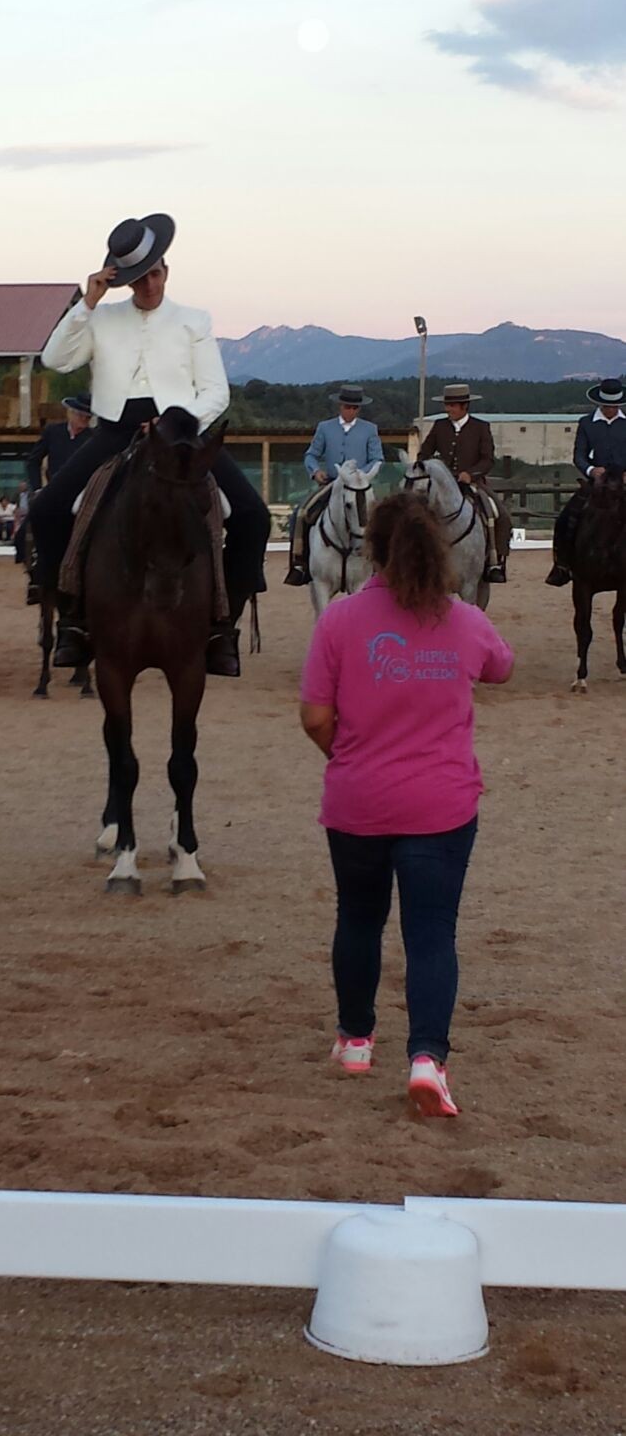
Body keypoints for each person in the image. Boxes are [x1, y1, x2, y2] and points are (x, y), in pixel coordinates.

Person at [300, 491, 514, 1117]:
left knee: (358, 918)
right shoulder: (464, 619)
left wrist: (349, 756)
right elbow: (502, 667)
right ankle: (427, 1059)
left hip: (358, 798)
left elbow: (314, 716)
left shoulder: (338, 619)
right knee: (431, 932)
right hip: (441, 804)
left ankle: (355, 1040)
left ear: (373, 548)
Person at [29, 213, 271, 677]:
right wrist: (87, 303)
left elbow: (216, 392)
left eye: (155, 274)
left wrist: (178, 421)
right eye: (138, 279)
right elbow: (54, 358)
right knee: (46, 511)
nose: (149, 286)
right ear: (123, 281)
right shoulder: (102, 319)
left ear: (166, 270)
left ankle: (222, 628)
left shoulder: (193, 320)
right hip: (114, 431)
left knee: (253, 517)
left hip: (181, 433)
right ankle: (73, 620)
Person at [285, 386, 384, 585]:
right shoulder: (325, 428)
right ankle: (300, 562)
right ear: (340, 406)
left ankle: (380, 563)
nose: (351, 411)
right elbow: (311, 455)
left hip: (359, 486)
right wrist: (315, 471)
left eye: (355, 408)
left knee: (381, 518)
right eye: (348, 407)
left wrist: (360, 475)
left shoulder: (370, 429)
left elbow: (377, 458)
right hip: (330, 483)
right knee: (302, 512)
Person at [418, 383, 508, 583]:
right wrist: (434, 470)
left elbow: (488, 459)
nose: (448, 409)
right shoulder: (440, 426)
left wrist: (471, 474)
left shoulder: (480, 427)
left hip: (472, 483)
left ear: (464, 406)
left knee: (500, 515)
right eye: (447, 405)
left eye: (452, 405)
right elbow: (424, 453)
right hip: (443, 484)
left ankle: (495, 561)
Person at [546, 377, 626, 587]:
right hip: (597, 482)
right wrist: (591, 470)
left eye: (614, 406)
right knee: (566, 517)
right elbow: (579, 455)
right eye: (607, 406)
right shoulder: (587, 423)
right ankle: (562, 566)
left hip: (623, 481)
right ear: (600, 403)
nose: (610, 409)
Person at [16, 392, 93, 573]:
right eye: (81, 415)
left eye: (88, 416)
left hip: (81, 493)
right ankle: (33, 565)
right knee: (29, 525)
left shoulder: (93, 437)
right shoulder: (52, 432)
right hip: (54, 490)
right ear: (70, 413)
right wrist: (37, 489)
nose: (85, 419)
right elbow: (33, 461)